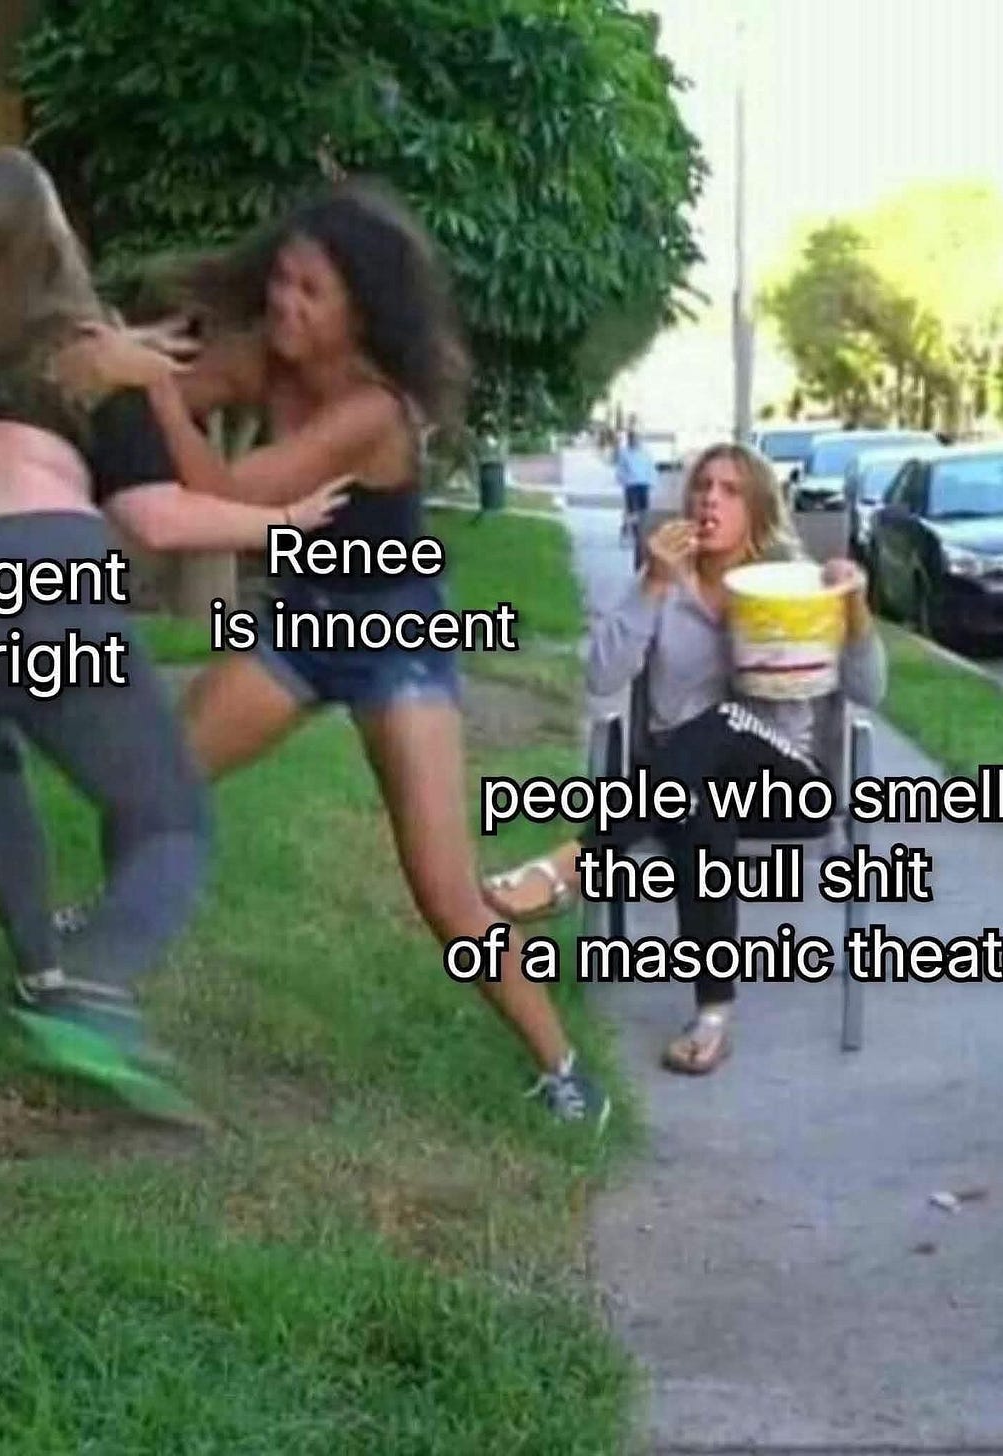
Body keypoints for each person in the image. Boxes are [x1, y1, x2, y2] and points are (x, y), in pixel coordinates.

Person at [53, 178, 612, 1128]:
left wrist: (147, 388)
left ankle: (563, 1073)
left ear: (361, 310)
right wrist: (126, 366)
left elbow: (231, 492)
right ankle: (104, 938)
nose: (285, 303)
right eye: (281, 281)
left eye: (311, 291)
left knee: (446, 896)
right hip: (303, 625)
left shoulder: (374, 411)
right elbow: (164, 393)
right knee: (155, 784)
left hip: (396, 642)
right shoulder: (261, 355)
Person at [0, 147, 347, 1119]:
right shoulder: (102, 356)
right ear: (55, 246)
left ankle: (39, 975)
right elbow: (156, 520)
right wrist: (285, 520)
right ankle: (94, 991)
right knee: (171, 818)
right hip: (38, 581)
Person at [483, 442, 886, 1075]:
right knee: (697, 807)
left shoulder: (796, 587)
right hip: (676, 789)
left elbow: (870, 691)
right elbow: (600, 676)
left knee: (721, 724)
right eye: (701, 487)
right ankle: (713, 1017)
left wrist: (852, 608)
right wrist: (651, 583)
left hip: (788, 788)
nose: (709, 500)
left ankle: (576, 864)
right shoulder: (665, 584)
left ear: (756, 510)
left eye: (729, 490)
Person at [615, 424, 657, 542]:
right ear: (629, 439)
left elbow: (651, 467)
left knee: (644, 510)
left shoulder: (646, 452)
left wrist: (652, 481)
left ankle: (642, 532)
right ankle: (633, 532)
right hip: (631, 484)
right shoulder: (625, 453)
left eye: (636, 438)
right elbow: (620, 469)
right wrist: (623, 480)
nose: (634, 440)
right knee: (632, 509)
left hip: (643, 484)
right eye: (632, 438)